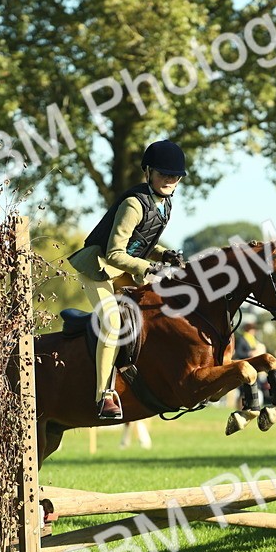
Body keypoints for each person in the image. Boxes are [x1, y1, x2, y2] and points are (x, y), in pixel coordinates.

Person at [67, 140, 187, 420]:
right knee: (112, 321)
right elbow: (115, 252)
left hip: (123, 268)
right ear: (148, 172)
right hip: (98, 267)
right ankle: (103, 396)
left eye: (174, 176)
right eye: (163, 174)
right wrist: (151, 268)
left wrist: (164, 253)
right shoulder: (134, 204)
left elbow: (142, 241)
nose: (169, 180)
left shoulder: (165, 204)